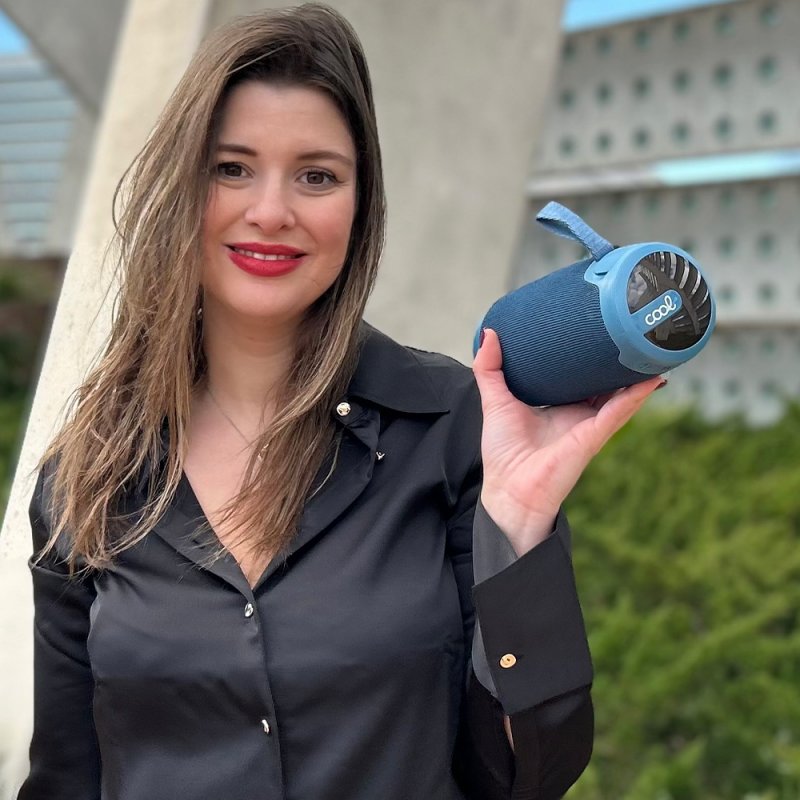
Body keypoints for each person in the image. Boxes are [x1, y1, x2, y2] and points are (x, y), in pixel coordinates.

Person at [18, 5, 663, 800]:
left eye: (317, 176)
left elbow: (531, 775)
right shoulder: (88, 476)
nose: (271, 211)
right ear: (181, 186)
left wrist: (519, 530)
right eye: (232, 168)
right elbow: (66, 779)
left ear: (361, 206)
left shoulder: (457, 429)